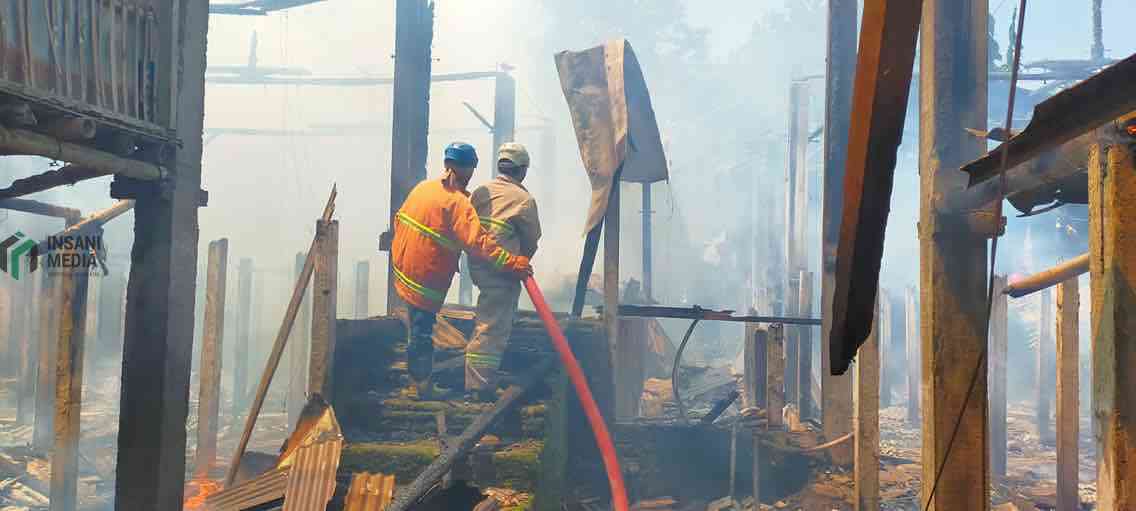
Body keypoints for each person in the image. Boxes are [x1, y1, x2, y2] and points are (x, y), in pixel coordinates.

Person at [389, 142, 533, 396]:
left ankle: (419, 382)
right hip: (426, 278)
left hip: (404, 270)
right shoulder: (457, 203)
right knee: (422, 332)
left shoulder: (425, 189)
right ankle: (422, 388)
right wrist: (513, 263)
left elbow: (399, 219)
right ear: (469, 169)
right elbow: (479, 244)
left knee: (417, 328)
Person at [465, 142, 542, 398]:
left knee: (490, 317)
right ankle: (479, 386)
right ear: (522, 170)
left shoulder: (480, 191)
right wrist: (518, 261)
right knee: (491, 326)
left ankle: (482, 376)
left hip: (478, 265)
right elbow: (531, 240)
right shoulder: (523, 200)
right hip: (502, 271)